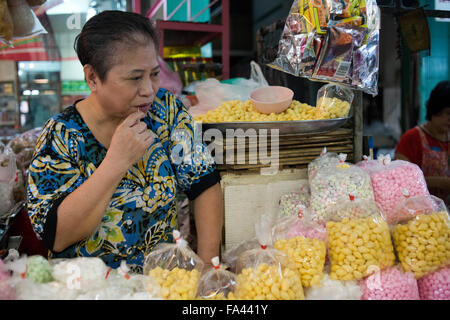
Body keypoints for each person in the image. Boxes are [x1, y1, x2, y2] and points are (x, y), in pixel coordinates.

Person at [26, 11, 223, 273]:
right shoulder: (61, 136)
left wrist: (209, 267)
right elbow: (58, 235)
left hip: (163, 283)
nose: (149, 90)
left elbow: (204, 182)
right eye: (134, 78)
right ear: (93, 77)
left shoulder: (165, 111)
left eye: (154, 74)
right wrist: (116, 162)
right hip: (90, 288)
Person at [395, 80, 450, 205]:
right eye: (448, 113)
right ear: (435, 109)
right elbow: (401, 181)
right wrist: (441, 182)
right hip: (421, 211)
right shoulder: (412, 138)